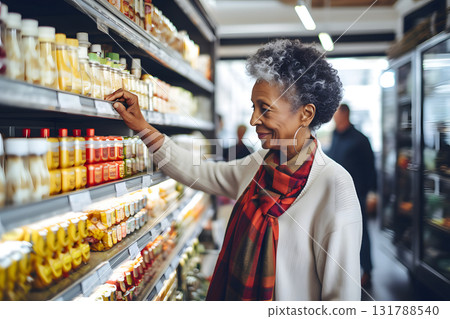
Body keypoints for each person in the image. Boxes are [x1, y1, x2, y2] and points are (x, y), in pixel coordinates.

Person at [105, 39, 362, 301]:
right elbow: (201, 172)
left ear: (306, 114)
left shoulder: (333, 185)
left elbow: (342, 299)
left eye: (266, 109)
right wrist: (142, 128)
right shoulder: (260, 163)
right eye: (253, 107)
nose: (253, 121)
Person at [326, 103, 376, 288]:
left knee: (361, 233)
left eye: (336, 113)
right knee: (340, 232)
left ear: (345, 114)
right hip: (336, 194)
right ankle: (344, 271)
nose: (334, 117)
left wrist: (371, 193)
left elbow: (370, 168)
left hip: (357, 194)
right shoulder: (335, 135)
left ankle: (368, 271)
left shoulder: (361, 140)